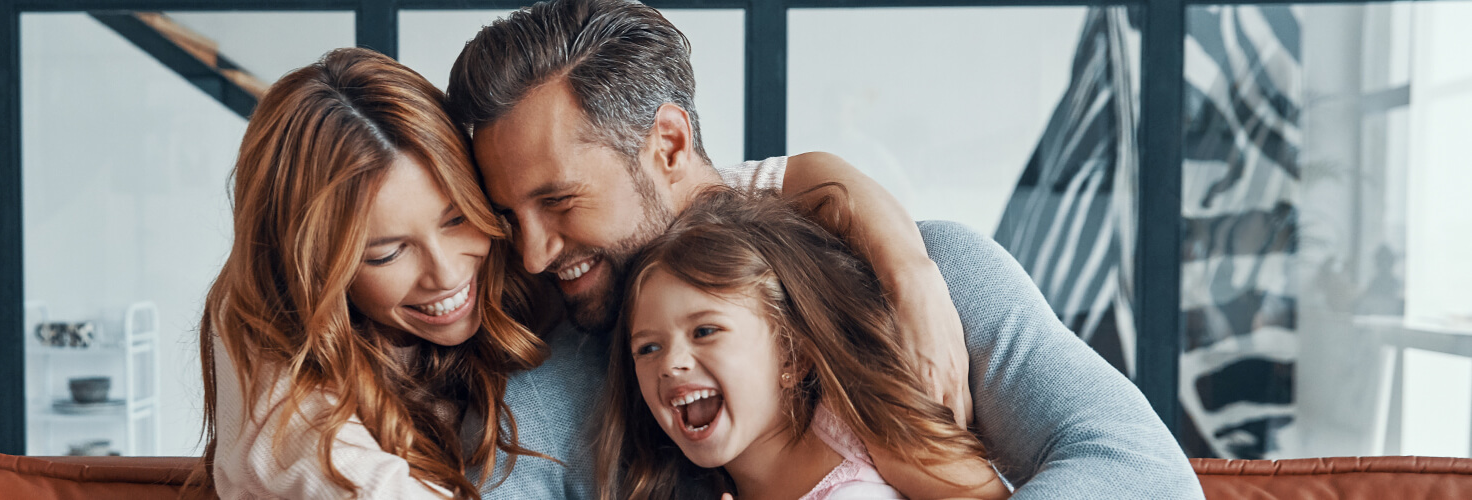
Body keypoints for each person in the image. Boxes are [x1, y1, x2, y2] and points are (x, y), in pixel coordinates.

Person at [443, 0, 1202, 498]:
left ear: (668, 144)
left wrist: (906, 270)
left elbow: (1142, 471)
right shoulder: (538, 401)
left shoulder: (927, 280)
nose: (535, 252)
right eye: (510, 215)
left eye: (560, 201)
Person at [190, 48, 554, 499]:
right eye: (387, 253)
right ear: (314, 269)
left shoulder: (523, 249)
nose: (445, 274)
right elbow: (350, 480)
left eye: (458, 218)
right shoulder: (262, 321)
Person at [601, 188, 1006, 500]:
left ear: (792, 355)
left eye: (705, 331)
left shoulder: (864, 429)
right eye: (647, 348)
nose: (671, 364)